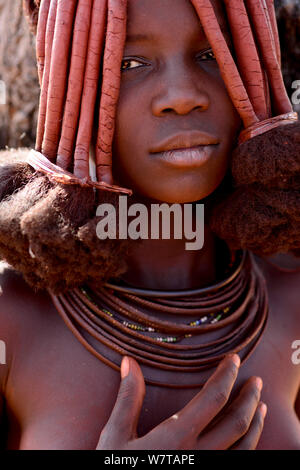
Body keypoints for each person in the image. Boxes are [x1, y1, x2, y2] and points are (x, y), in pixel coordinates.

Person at [0, 0, 299, 450]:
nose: (182, 96)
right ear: (67, 78)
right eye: (130, 62)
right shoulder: (13, 323)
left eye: (213, 55)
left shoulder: (294, 306)